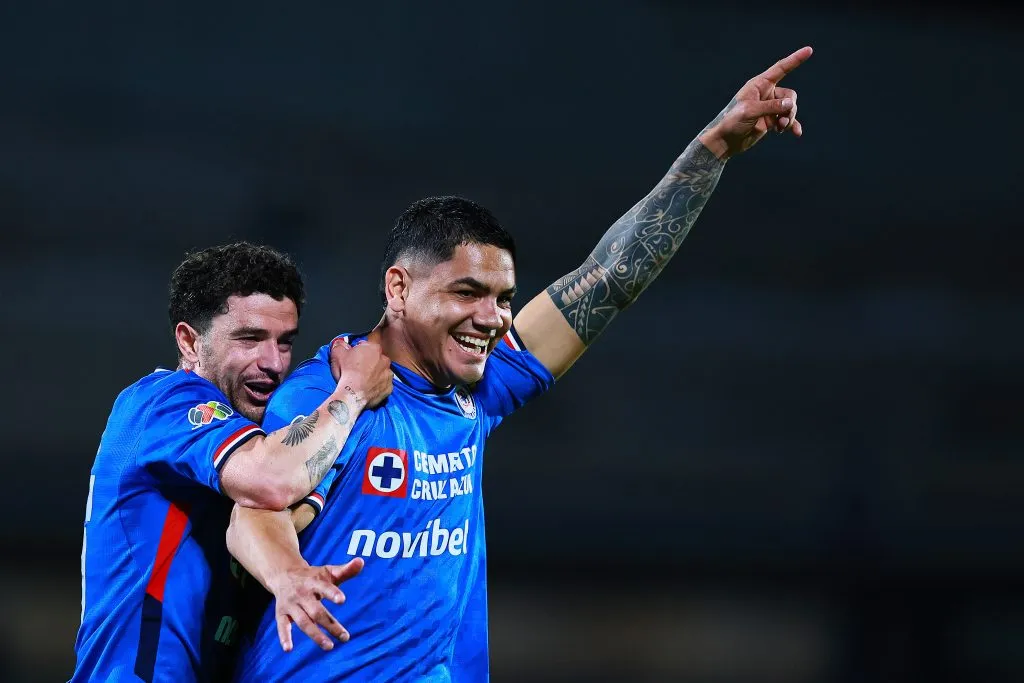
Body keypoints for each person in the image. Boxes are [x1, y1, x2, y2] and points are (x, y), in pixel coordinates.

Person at [228, 46, 813, 681]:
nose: (493, 318)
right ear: (399, 289)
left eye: (503, 298)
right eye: (467, 293)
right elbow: (258, 511)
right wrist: (288, 575)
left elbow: (610, 277)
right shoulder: (333, 393)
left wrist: (711, 149)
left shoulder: (477, 387)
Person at [71, 242, 393, 682]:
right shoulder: (161, 403)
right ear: (189, 341)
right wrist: (352, 391)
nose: (273, 363)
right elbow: (271, 479)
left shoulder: (253, 437)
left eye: (285, 342)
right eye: (250, 339)